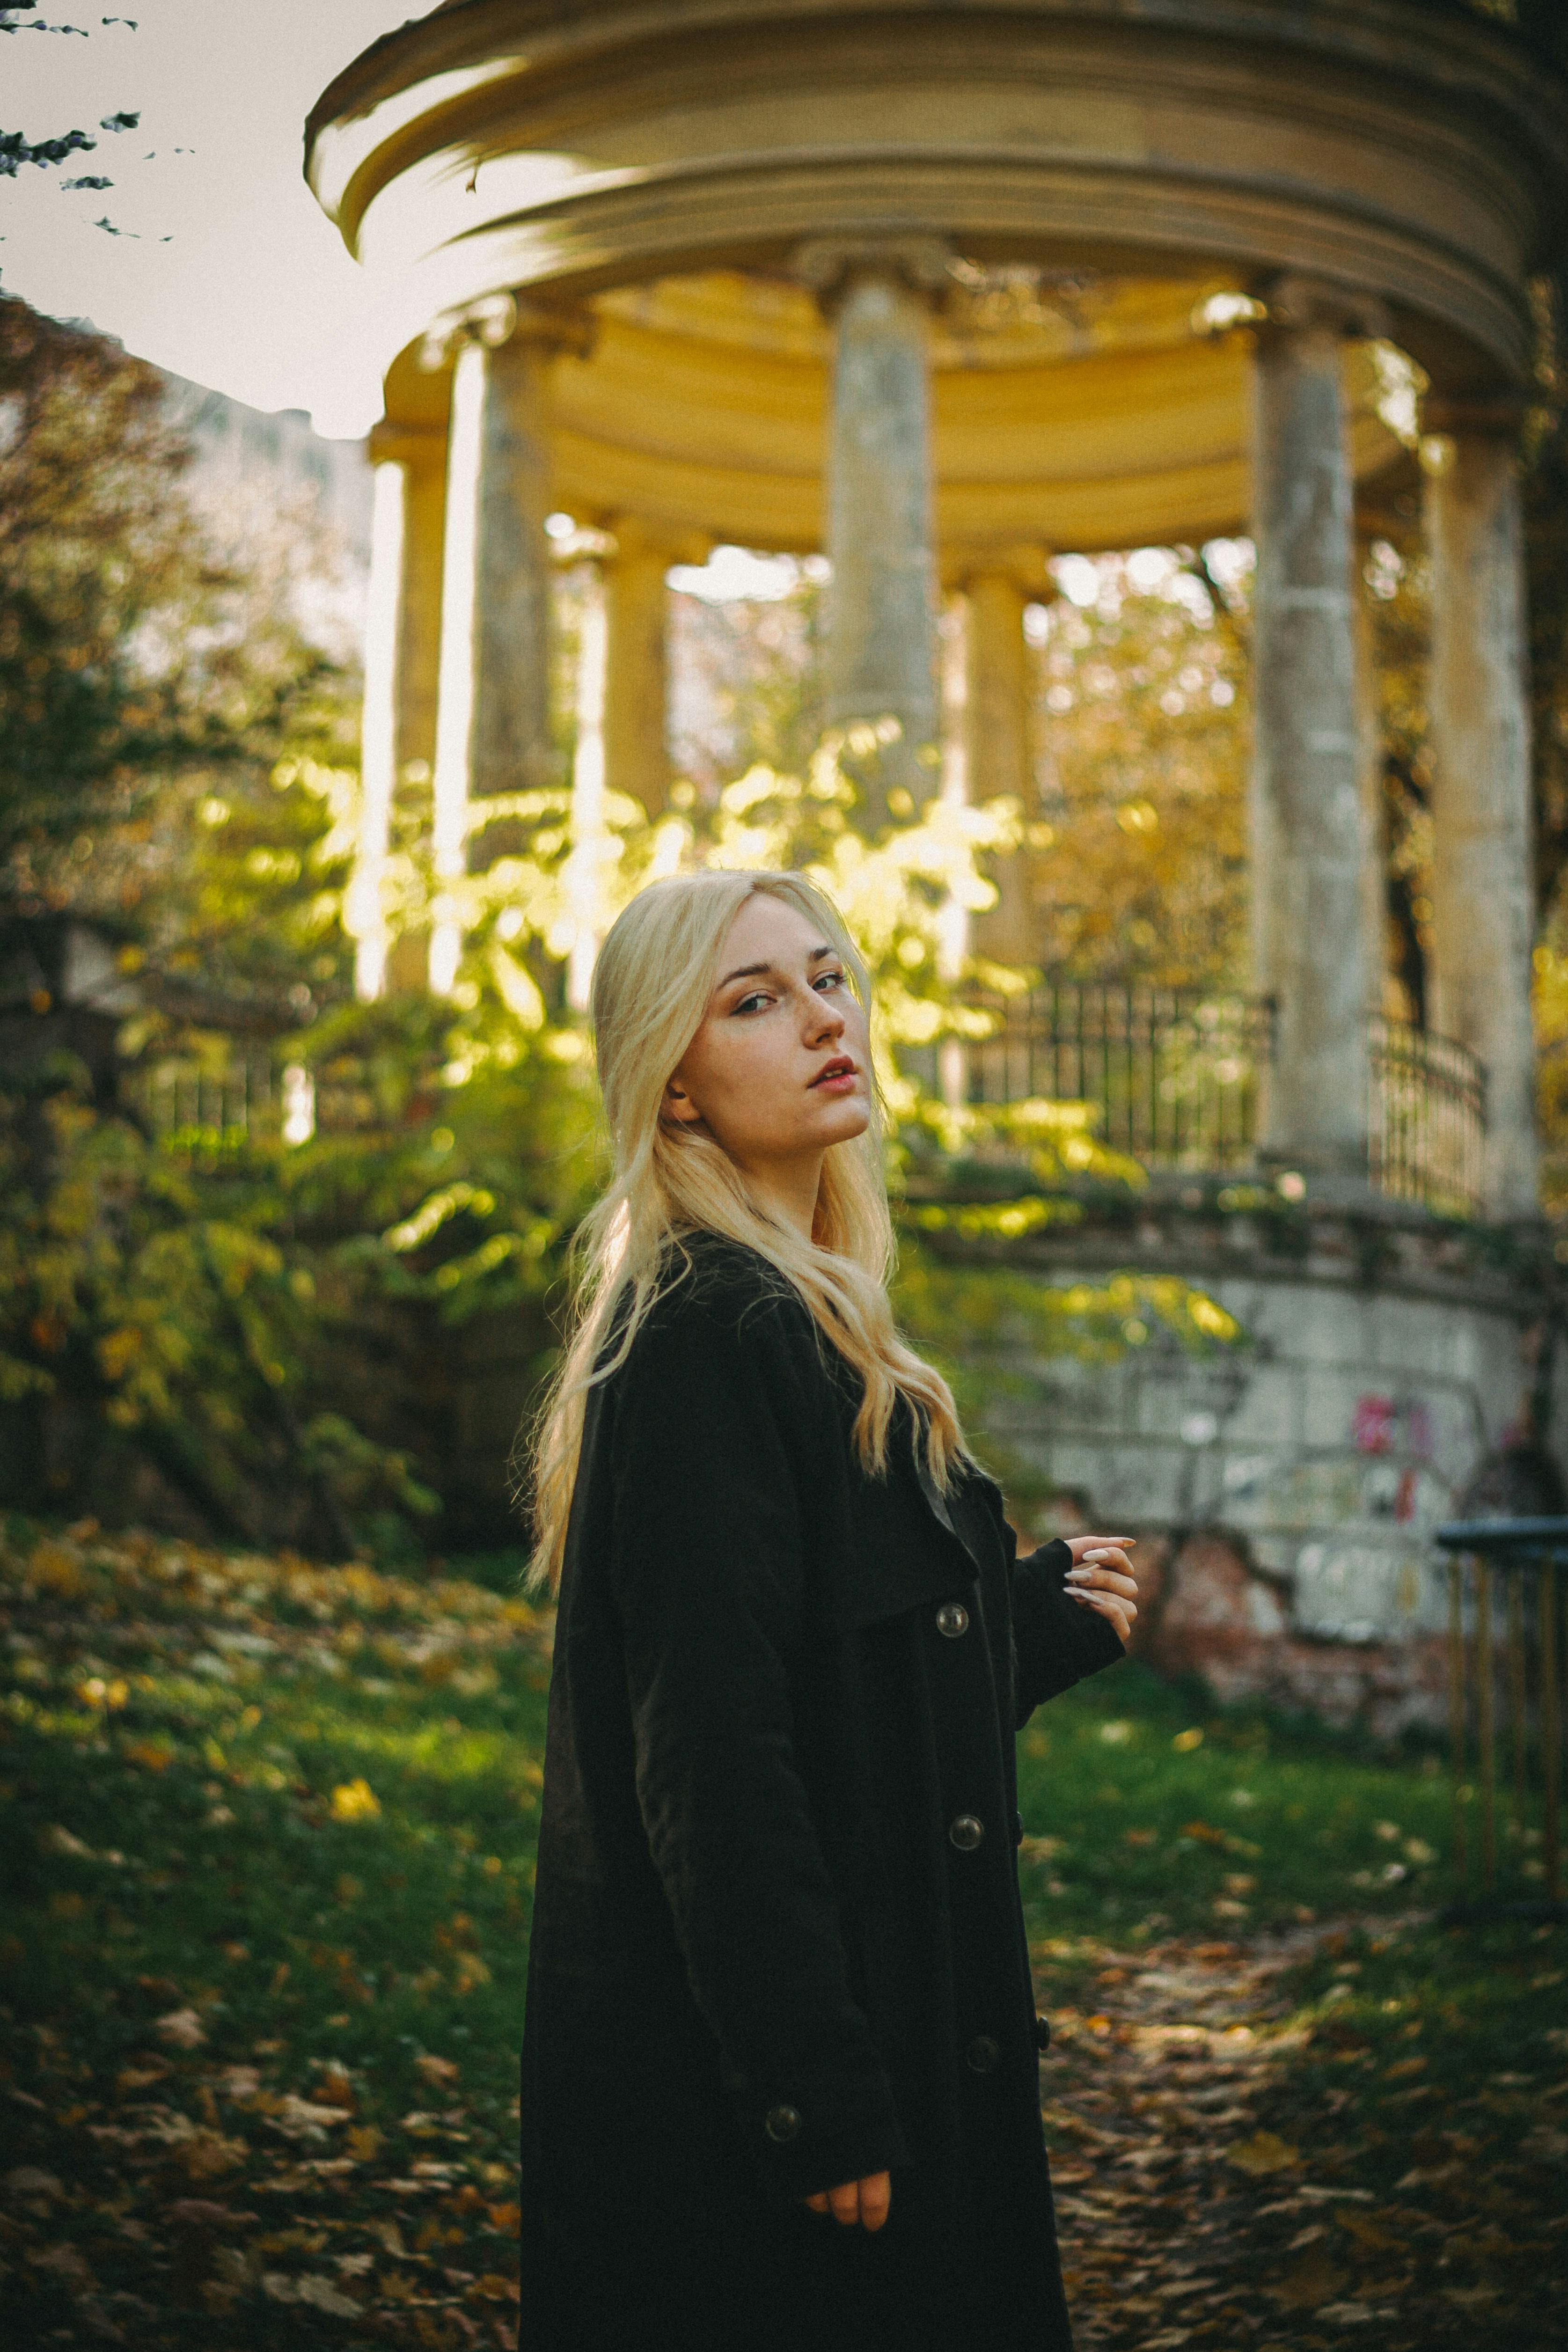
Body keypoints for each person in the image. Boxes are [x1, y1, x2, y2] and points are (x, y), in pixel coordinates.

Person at [519, 870, 1137, 2352]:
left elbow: (832, 1693)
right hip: (781, 2113)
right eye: (754, 1001)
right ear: (674, 1088)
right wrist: (815, 2091)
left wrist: (1017, 1623)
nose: (820, 1018)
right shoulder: (700, 1334)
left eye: (826, 978)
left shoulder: (809, 1313)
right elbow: (715, 1758)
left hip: (899, 2042)